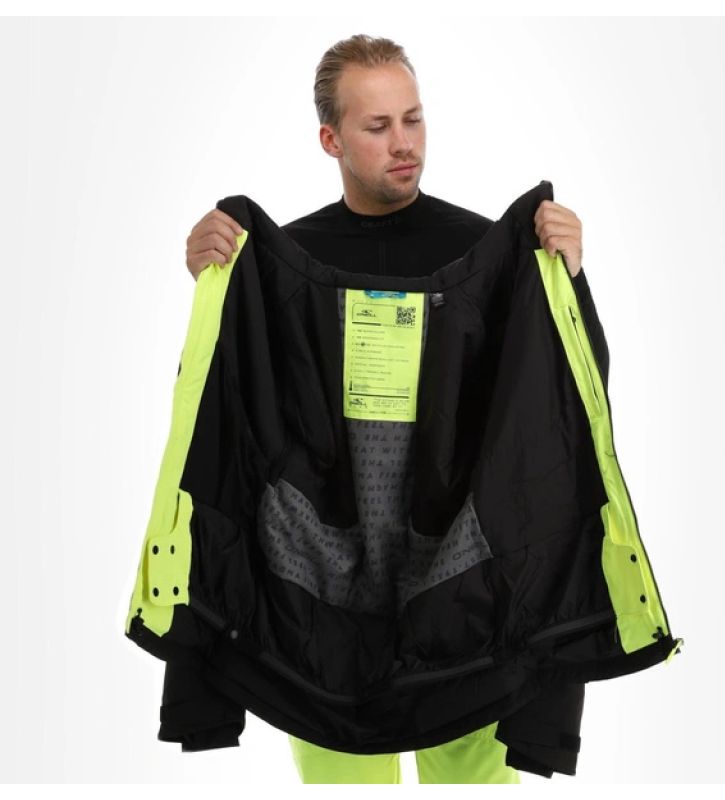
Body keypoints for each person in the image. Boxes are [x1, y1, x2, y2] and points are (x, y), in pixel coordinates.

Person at [170, 32, 608, 785]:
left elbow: (560, 412)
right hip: (321, 597)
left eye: (414, 118)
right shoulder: (279, 265)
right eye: (378, 126)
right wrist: (216, 291)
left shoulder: (488, 253)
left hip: (463, 580)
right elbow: (226, 417)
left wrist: (567, 282)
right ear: (331, 139)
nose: (404, 143)